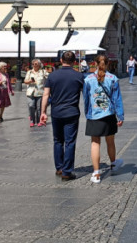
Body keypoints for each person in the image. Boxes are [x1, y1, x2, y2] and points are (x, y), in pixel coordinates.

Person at [40, 51, 85, 181]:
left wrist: (43, 112)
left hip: (56, 113)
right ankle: (67, 171)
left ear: (61, 60)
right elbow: (86, 94)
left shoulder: (52, 76)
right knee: (70, 142)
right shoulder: (79, 76)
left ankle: (59, 168)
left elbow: (46, 95)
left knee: (58, 140)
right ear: (74, 62)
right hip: (72, 112)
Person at [83, 55, 124, 183]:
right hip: (109, 114)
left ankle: (96, 173)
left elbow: (85, 98)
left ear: (95, 63)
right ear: (107, 64)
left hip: (94, 114)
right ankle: (113, 163)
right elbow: (117, 99)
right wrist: (120, 115)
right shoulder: (113, 78)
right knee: (110, 141)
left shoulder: (88, 79)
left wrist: (87, 113)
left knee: (95, 143)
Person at [24, 59, 48, 127]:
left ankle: (39, 121)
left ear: (39, 65)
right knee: (31, 106)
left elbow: (49, 78)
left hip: (40, 92)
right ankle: (32, 120)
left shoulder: (43, 72)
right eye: (33, 64)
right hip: (30, 92)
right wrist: (30, 81)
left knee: (39, 108)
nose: (35, 65)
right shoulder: (29, 72)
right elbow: (25, 81)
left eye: (36, 64)